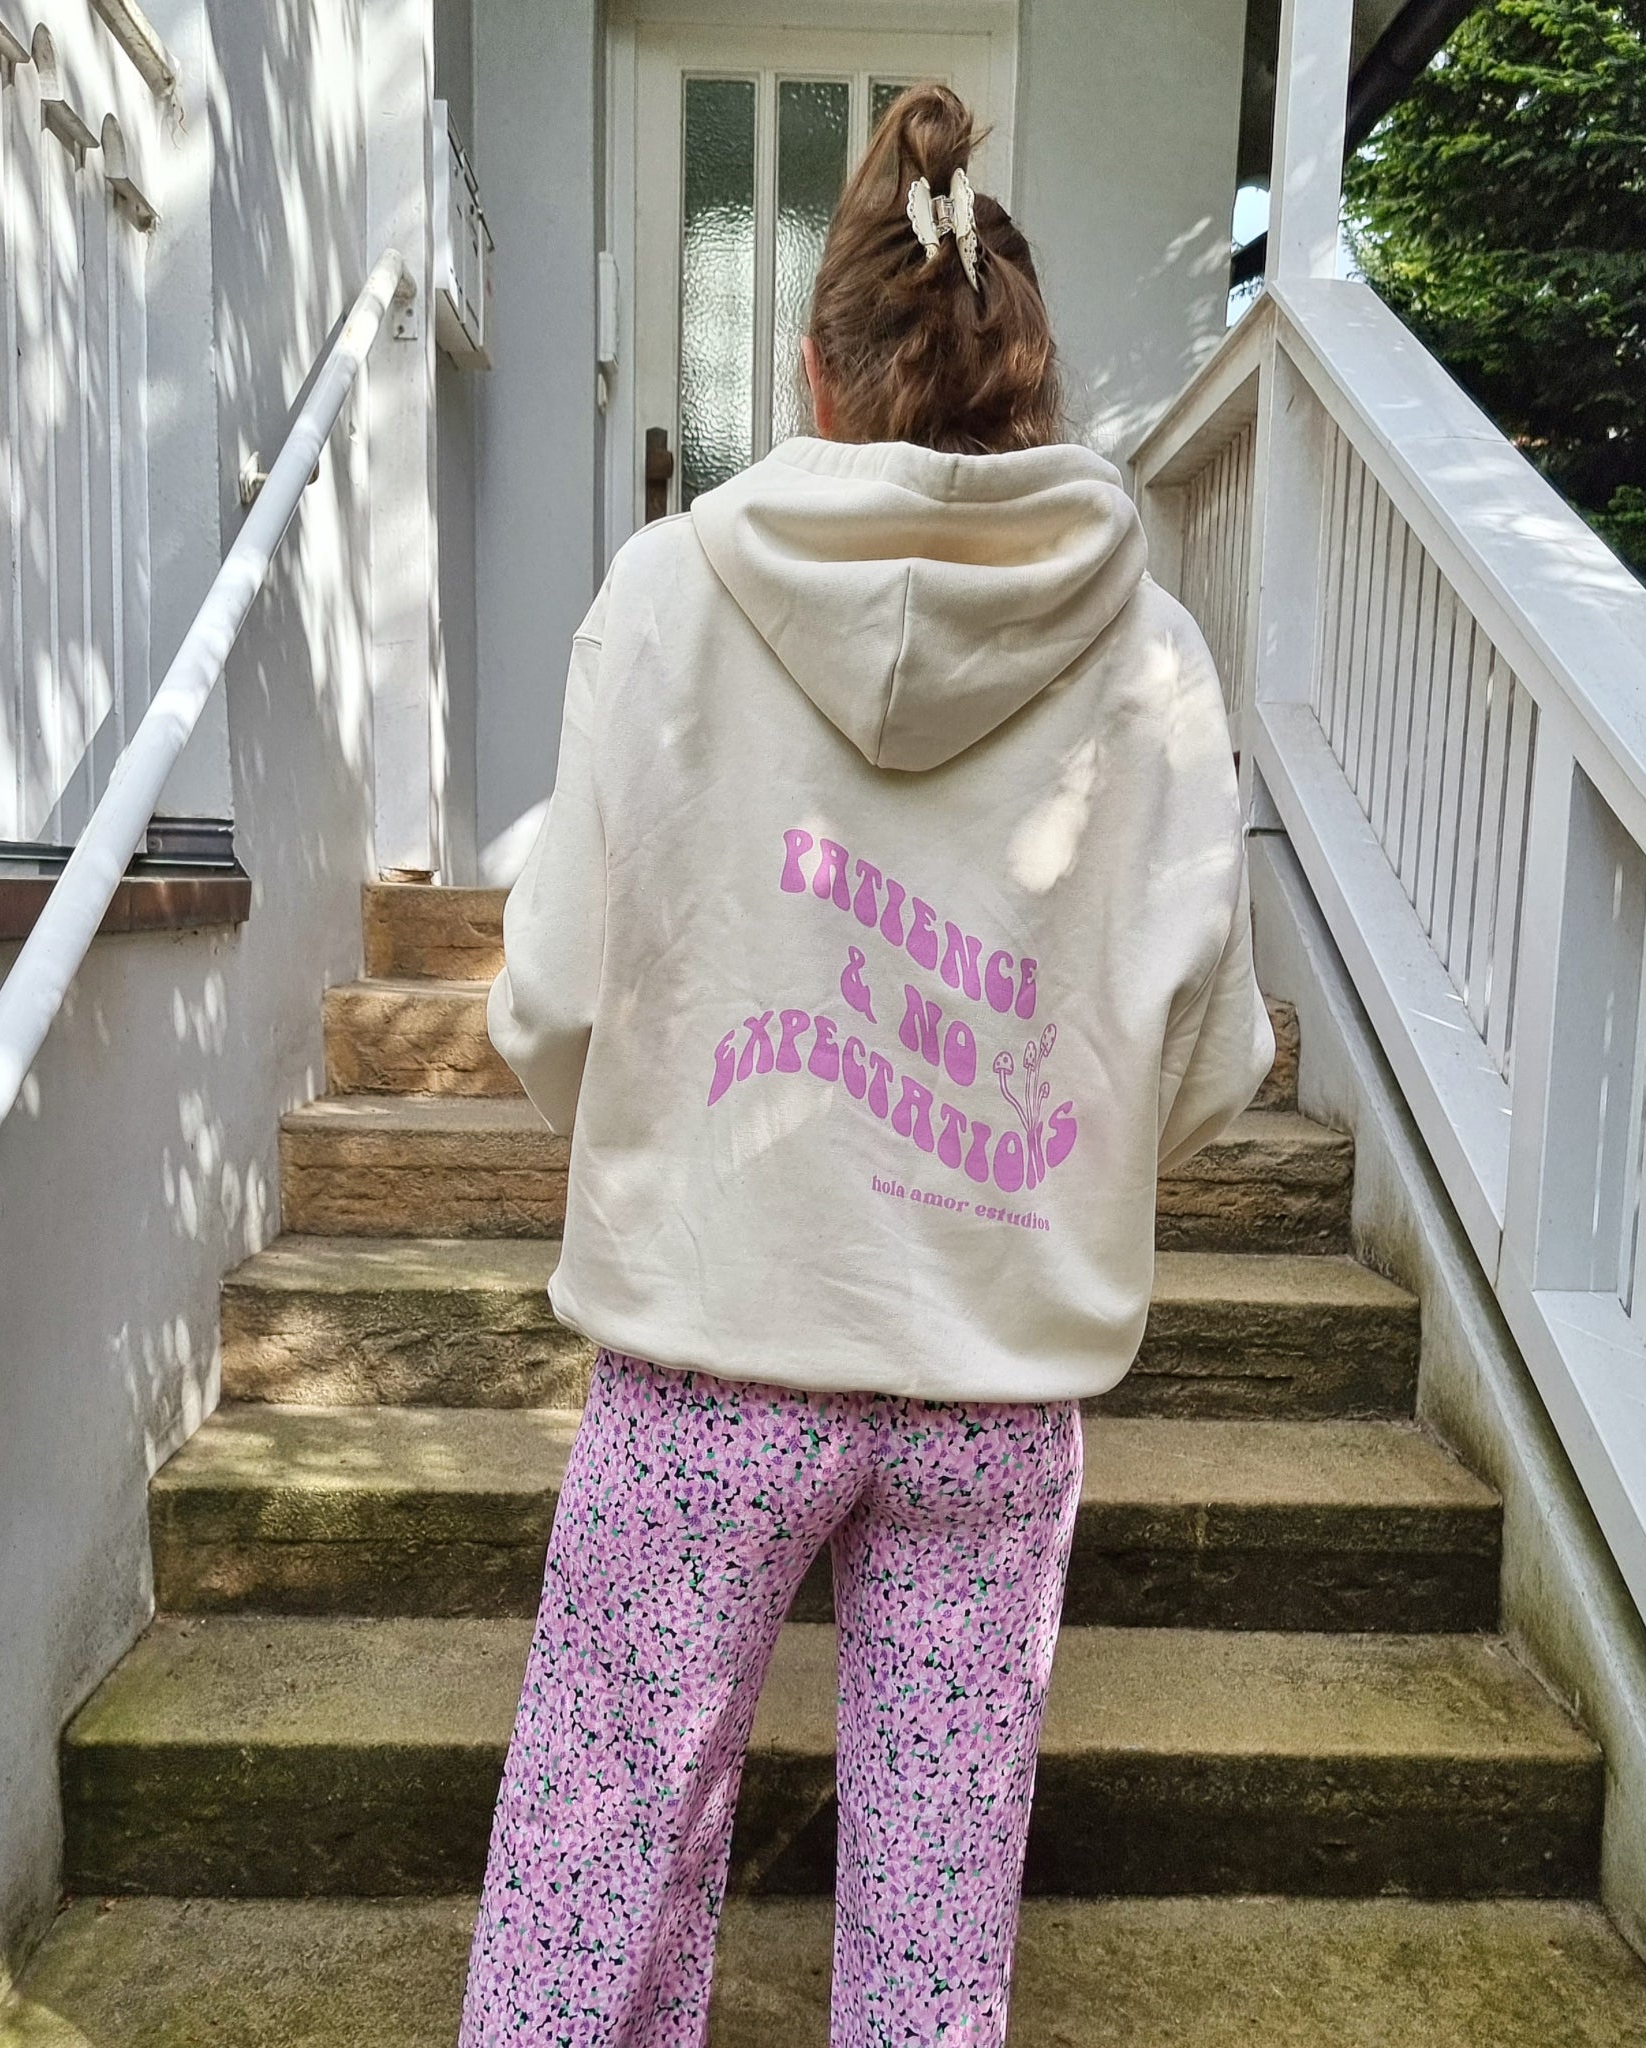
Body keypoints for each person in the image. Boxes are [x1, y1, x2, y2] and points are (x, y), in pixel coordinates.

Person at [459, 81, 1273, 2048]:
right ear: (1029, 386)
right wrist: (1038, 1170)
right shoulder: (1152, 658)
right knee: (936, 1911)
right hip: (992, 1375)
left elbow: (551, 1003)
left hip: (708, 1348)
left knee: (599, 1849)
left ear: (812, 372)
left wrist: (664, 1146)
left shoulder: (668, 594)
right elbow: (1206, 1063)